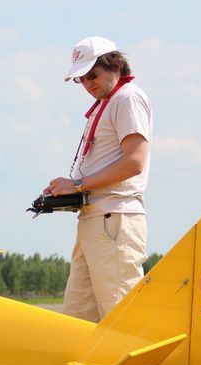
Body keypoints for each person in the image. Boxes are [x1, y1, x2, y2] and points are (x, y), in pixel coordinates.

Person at [46, 36, 152, 324]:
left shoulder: (127, 98)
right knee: (78, 318)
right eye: (81, 79)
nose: (88, 84)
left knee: (120, 317)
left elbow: (134, 162)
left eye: (92, 74)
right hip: (95, 217)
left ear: (115, 65)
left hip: (114, 217)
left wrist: (77, 185)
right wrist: (68, 191)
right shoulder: (108, 102)